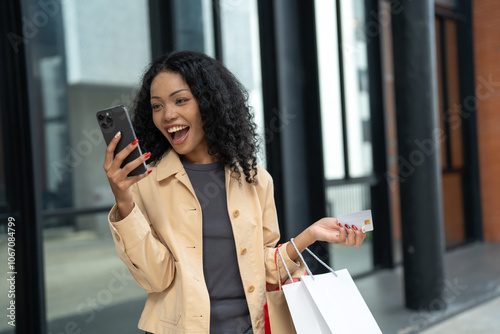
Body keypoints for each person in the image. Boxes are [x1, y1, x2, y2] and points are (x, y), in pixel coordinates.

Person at [104, 51, 366, 334]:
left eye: (181, 100)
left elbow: (265, 267)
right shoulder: (144, 183)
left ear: (209, 104)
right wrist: (124, 202)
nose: (168, 115)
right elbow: (155, 279)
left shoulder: (255, 179)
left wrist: (310, 235)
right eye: (157, 106)